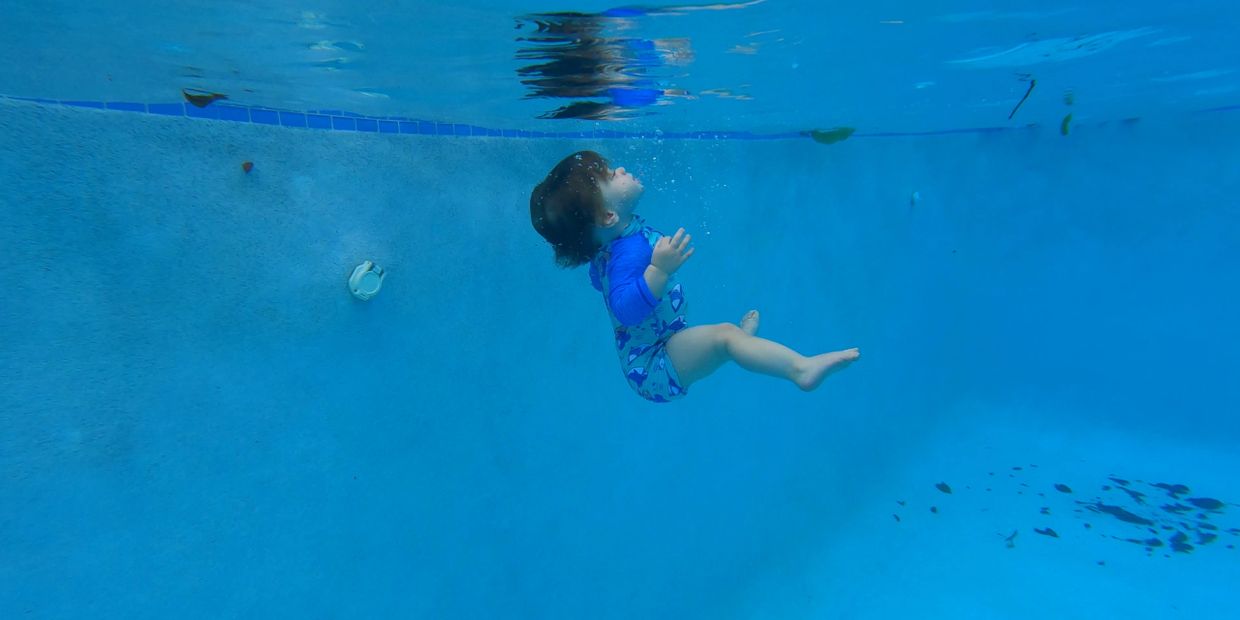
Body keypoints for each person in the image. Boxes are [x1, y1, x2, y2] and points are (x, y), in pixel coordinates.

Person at [530, 150, 860, 403]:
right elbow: (624, 309)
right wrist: (658, 270)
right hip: (653, 365)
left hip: (665, 344)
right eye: (609, 174)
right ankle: (800, 369)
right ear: (608, 215)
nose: (618, 169)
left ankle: (742, 344)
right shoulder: (624, 255)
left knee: (726, 340)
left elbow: (598, 278)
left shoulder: (612, 248)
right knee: (725, 339)